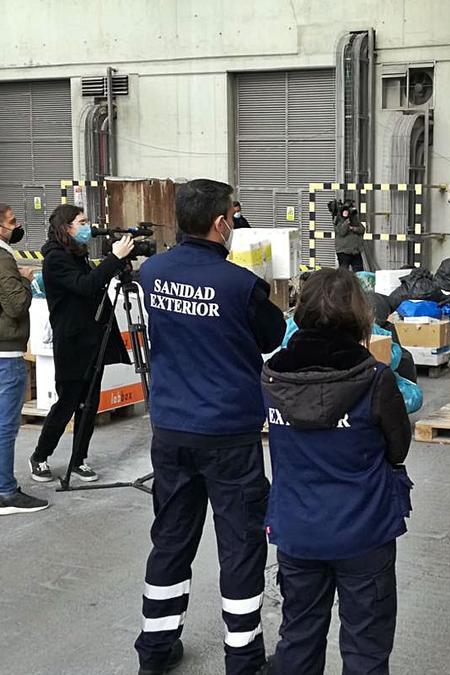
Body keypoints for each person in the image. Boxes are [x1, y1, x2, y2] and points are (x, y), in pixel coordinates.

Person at [135, 179, 285, 675]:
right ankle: (242, 659)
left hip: (172, 429)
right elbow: (272, 335)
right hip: (229, 432)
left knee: (172, 535)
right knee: (241, 542)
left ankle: (155, 650)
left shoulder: (152, 273)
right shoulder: (241, 284)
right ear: (222, 223)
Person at [262, 269, 412, 675]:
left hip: (297, 528)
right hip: (364, 530)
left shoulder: (273, 376)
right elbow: (398, 447)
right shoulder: (374, 378)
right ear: (358, 315)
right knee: (366, 644)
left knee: (299, 635)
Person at [28, 205, 136, 483]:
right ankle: (40, 456)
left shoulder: (78, 254)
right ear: (66, 227)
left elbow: (94, 284)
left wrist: (117, 264)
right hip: (72, 341)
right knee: (68, 402)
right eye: (82, 222)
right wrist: (114, 258)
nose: (88, 226)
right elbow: (86, 286)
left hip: (92, 338)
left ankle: (79, 459)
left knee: (90, 403)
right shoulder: (56, 258)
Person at [0, 202, 50, 516]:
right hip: (5, 353)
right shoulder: (1, 257)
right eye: (12, 222)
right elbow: (16, 306)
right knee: (4, 428)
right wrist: (27, 280)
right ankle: (6, 493)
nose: (17, 227)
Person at [332, 201, 365, 272]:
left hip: (355, 251)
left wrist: (353, 228)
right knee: (344, 273)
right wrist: (346, 222)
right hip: (344, 252)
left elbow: (362, 229)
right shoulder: (338, 220)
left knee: (359, 272)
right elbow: (342, 232)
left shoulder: (355, 220)